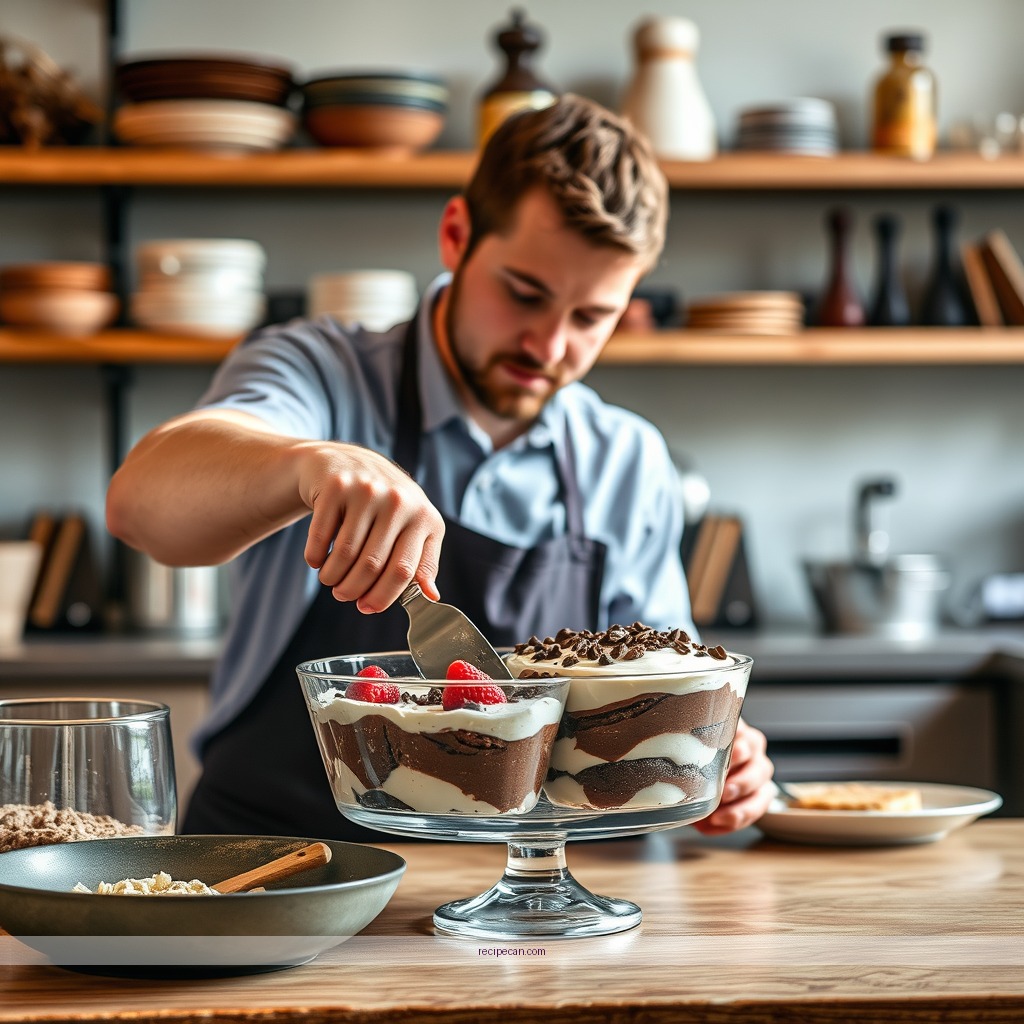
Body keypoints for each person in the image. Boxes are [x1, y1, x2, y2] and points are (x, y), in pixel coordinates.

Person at [106, 93, 774, 842]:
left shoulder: (627, 459)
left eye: (592, 317)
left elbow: (659, 693)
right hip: (284, 859)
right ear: (456, 236)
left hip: (530, 892)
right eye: (525, 293)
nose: (550, 347)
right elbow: (141, 505)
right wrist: (310, 461)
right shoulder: (321, 374)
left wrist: (720, 763)